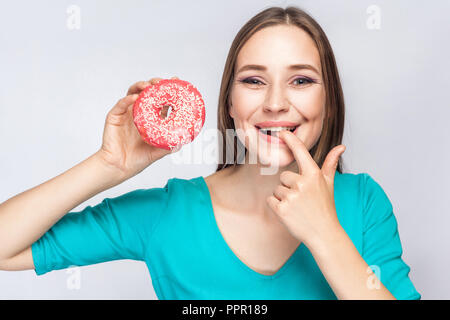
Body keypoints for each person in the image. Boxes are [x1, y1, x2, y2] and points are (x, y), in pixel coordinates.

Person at [0, 6, 421, 300]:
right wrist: (108, 165)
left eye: (301, 81)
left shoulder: (363, 203)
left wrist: (326, 235)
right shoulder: (169, 213)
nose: (275, 103)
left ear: (329, 101)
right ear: (230, 104)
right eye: (254, 81)